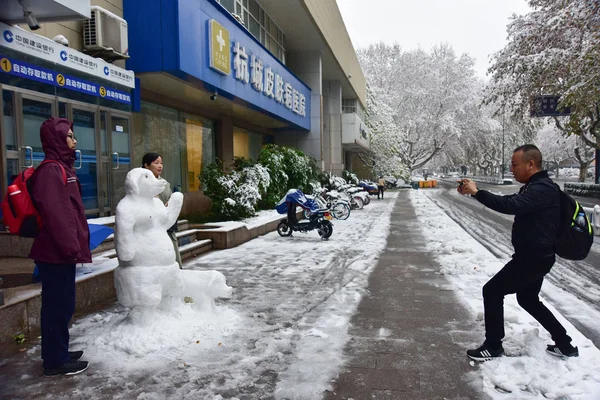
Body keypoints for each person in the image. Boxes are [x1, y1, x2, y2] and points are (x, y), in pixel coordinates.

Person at [458, 144, 578, 361]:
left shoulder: (542, 189)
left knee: (492, 291)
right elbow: (509, 201)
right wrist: (475, 193)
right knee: (528, 299)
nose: (511, 169)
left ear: (531, 164)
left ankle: (494, 345)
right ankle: (565, 344)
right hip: (537, 256)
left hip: (532, 258)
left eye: (514, 164)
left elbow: (509, 205)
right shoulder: (536, 186)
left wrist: (477, 192)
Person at [28, 118, 91, 376]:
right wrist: (71, 248)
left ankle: (59, 350)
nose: (75, 141)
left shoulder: (61, 168)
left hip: (60, 251)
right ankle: (55, 361)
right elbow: (58, 215)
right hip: (55, 252)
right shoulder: (52, 170)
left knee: (63, 305)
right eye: (70, 136)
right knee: (57, 306)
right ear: (57, 139)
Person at [142, 152, 183, 269]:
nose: (160, 166)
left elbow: (170, 198)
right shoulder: (142, 182)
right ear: (146, 165)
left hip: (167, 224)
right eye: (156, 163)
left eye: (161, 163)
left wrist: (170, 203)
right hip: (152, 227)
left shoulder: (164, 182)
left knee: (173, 256)